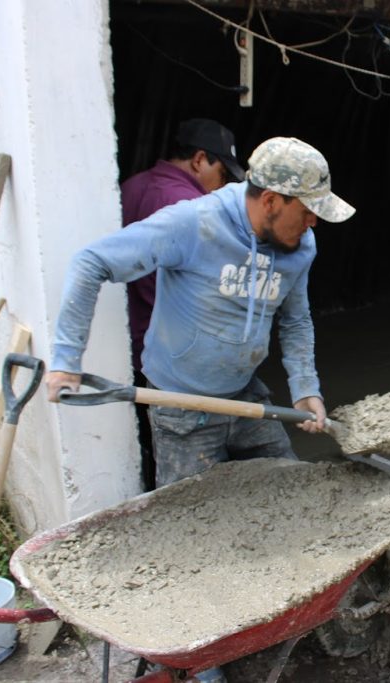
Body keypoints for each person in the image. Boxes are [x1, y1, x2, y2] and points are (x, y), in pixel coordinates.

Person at [47, 136, 355, 487]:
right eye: (307, 211)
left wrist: (305, 389)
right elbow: (91, 262)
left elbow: (296, 319)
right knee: (189, 523)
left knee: (294, 490)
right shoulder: (193, 224)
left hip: (244, 393)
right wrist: (66, 360)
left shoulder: (300, 245)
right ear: (270, 200)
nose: (313, 223)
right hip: (181, 407)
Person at [120, 118, 244, 491]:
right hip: (178, 353)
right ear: (200, 160)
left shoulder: (132, 186)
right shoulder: (189, 207)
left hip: (138, 340)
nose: (222, 186)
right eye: (222, 174)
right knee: (191, 462)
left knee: (151, 436)